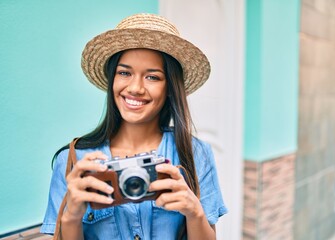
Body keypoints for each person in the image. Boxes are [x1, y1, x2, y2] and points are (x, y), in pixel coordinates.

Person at [40, 13, 227, 240]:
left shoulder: (196, 154)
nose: (135, 88)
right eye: (124, 73)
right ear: (112, 80)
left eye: (152, 77)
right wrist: (71, 216)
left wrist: (194, 212)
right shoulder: (73, 159)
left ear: (170, 87)